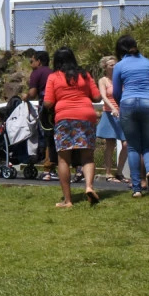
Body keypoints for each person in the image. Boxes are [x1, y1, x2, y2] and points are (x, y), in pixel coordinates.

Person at [43, 47, 103, 208]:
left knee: (64, 158)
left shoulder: (54, 77)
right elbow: (97, 97)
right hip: (86, 116)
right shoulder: (84, 74)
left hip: (64, 117)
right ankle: (89, 187)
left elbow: (48, 102)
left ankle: (68, 200)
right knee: (87, 156)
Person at [111, 36, 149, 197]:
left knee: (133, 146)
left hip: (128, 103)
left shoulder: (119, 66)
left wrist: (122, 104)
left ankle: (136, 188)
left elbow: (116, 91)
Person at [95, 56, 127, 182]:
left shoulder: (122, 78)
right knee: (110, 144)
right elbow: (103, 95)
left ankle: (119, 172)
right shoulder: (103, 80)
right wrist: (112, 108)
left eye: (115, 64)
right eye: (111, 65)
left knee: (126, 143)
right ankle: (108, 173)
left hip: (123, 113)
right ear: (105, 67)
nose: (114, 67)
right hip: (110, 113)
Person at [28, 50, 57, 180]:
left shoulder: (36, 73)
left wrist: (25, 96)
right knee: (57, 137)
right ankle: (56, 166)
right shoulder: (53, 72)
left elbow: (33, 93)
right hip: (58, 107)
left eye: (32, 61)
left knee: (47, 137)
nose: (30, 64)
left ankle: (47, 169)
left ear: (38, 61)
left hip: (45, 108)